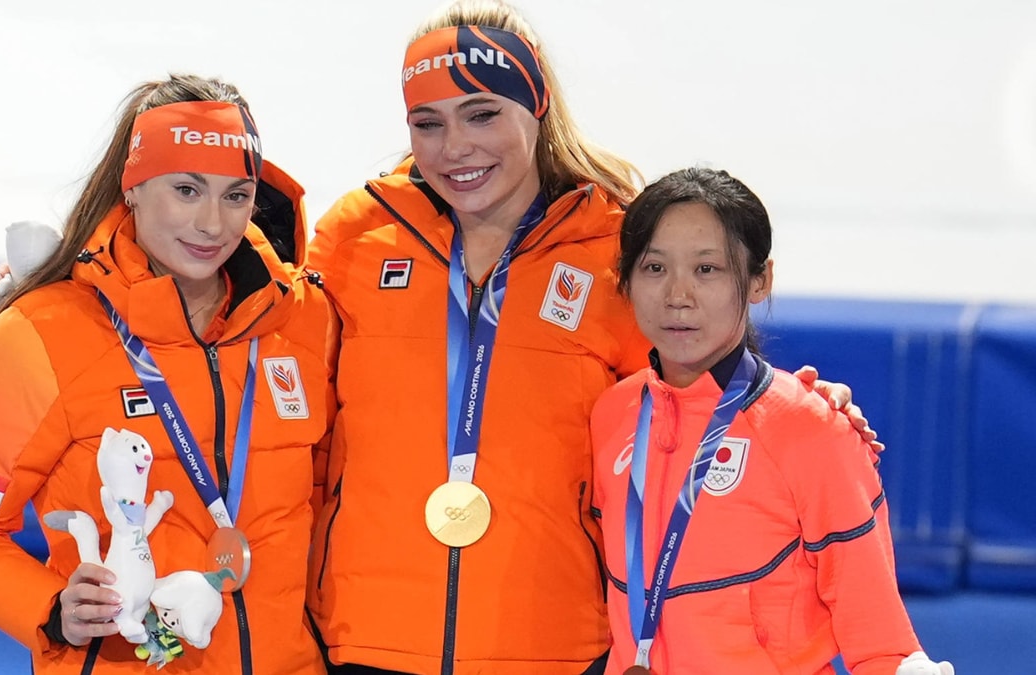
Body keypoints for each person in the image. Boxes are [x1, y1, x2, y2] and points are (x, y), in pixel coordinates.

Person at [305, 2, 877, 674]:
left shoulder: (615, 244)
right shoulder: (355, 238)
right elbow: (292, 414)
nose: (454, 147)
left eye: (483, 114)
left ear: (537, 104)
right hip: (366, 638)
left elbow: (690, 413)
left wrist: (797, 408)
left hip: (555, 645)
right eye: (427, 123)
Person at [0, 74, 333, 675]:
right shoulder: (42, 334)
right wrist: (52, 608)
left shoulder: (300, 319)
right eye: (187, 190)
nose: (214, 224)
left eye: (236, 195)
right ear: (132, 187)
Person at [590, 167, 953, 674]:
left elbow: (880, 640)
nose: (678, 295)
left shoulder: (810, 428)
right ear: (625, 280)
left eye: (707, 269)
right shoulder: (612, 414)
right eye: (654, 268)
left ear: (760, 280)